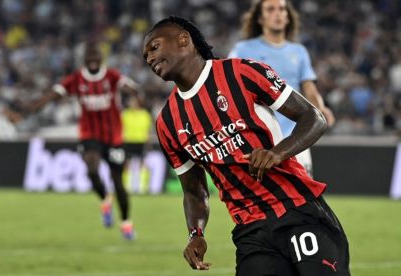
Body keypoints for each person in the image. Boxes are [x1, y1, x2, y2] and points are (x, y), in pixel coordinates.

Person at [143, 16, 350, 275]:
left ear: (184, 39)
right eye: (145, 56)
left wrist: (278, 153)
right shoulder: (167, 123)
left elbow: (314, 118)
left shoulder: (241, 73)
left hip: (299, 211)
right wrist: (195, 233)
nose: (149, 59)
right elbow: (194, 191)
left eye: (154, 47)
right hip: (252, 233)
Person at [23, 42, 136, 240]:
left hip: (114, 137)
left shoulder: (112, 75)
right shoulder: (76, 79)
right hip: (89, 134)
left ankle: (126, 223)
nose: (92, 60)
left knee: (119, 184)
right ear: (84, 60)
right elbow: (54, 93)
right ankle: (104, 199)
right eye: (89, 58)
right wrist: (34, 107)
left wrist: (133, 92)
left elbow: (129, 86)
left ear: (101, 59)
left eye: (96, 57)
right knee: (91, 170)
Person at [228, 0, 335, 176]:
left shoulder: (299, 51)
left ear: (287, 17)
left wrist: (320, 108)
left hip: (295, 136)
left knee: (306, 196)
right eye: (271, 9)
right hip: (258, 138)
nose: (277, 13)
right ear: (260, 19)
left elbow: (310, 89)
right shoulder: (242, 50)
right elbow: (228, 84)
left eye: (281, 9)